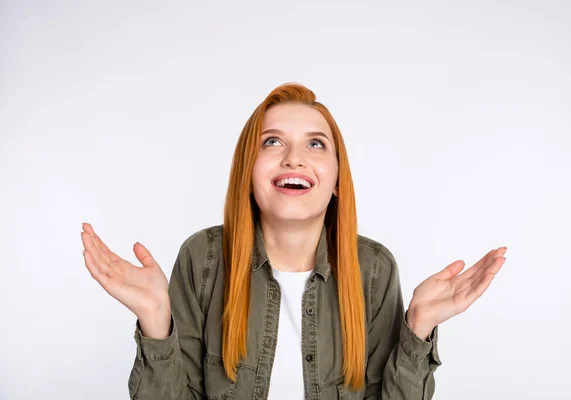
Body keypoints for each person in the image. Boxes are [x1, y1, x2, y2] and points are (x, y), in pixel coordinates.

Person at [81, 82, 507, 400]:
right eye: (272, 142)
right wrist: (157, 323)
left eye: (315, 144)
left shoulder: (374, 268)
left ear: (338, 180)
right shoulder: (203, 258)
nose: (293, 158)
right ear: (248, 171)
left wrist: (419, 328)